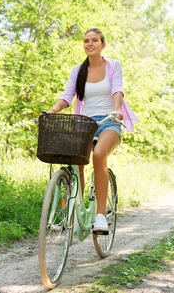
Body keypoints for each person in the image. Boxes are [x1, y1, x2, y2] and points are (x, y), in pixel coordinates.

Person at [46, 28, 138, 234]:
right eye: (86, 40)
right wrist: (53, 110)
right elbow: (67, 95)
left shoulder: (113, 66)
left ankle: (100, 217)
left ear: (102, 44)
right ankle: (69, 211)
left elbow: (117, 90)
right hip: (85, 123)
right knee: (73, 160)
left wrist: (115, 110)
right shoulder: (78, 70)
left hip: (108, 122)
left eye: (95, 40)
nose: (90, 44)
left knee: (98, 155)